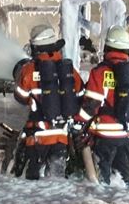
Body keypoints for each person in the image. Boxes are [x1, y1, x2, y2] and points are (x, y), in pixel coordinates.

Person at [75, 25, 129, 186]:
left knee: (102, 185)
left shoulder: (100, 72)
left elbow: (91, 105)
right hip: (126, 135)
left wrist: (78, 123)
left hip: (104, 137)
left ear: (107, 47)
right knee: (123, 183)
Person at [12, 24, 84, 180]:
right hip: (61, 137)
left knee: (32, 185)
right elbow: (80, 94)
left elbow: (20, 96)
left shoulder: (29, 70)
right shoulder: (69, 70)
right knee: (55, 183)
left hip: (37, 137)